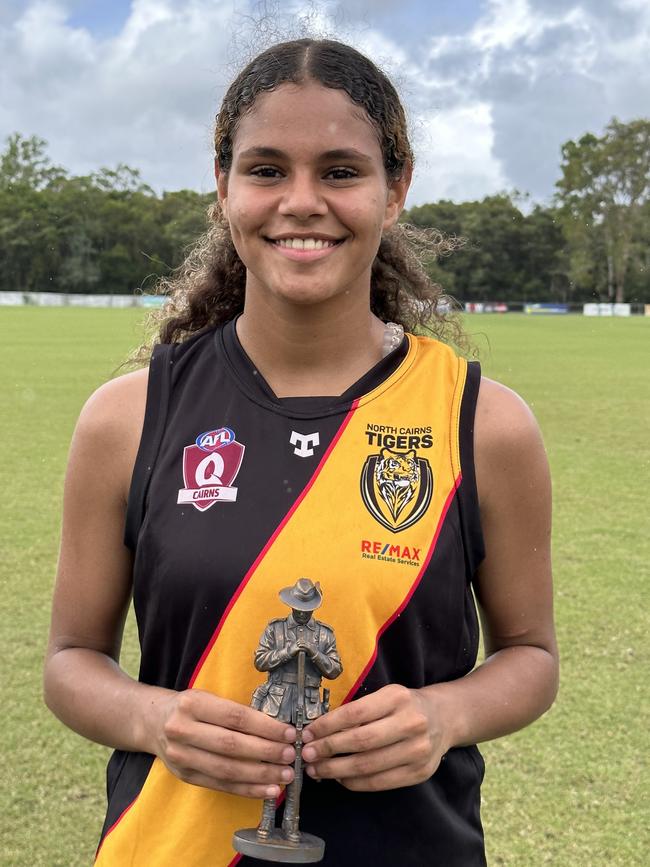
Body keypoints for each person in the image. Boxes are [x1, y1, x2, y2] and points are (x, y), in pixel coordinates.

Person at [44, 38, 558, 867]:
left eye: (342, 171)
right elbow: (71, 661)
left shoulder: (483, 423)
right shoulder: (127, 417)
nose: (302, 201)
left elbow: (530, 657)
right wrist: (155, 718)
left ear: (397, 190)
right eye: (268, 169)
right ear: (224, 187)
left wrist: (444, 716)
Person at [250, 577, 342, 842]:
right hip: (278, 702)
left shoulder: (324, 634)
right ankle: (266, 821)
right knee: (272, 762)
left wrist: (314, 652)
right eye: (298, 607)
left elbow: (335, 669)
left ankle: (292, 824)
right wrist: (289, 650)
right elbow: (260, 660)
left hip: (308, 704)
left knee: (298, 769)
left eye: (307, 608)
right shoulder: (275, 629)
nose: (302, 613)